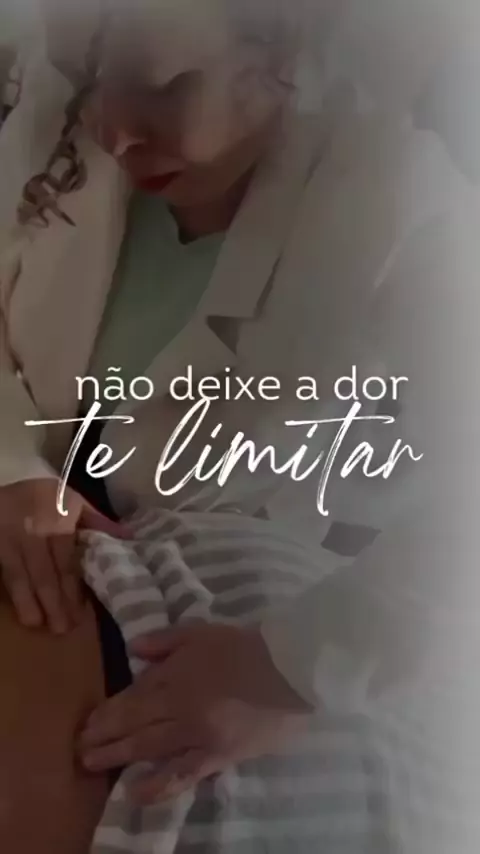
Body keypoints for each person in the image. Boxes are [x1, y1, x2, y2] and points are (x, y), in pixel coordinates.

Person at [1, 0, 479, 845]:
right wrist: (11, 466)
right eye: (91, 76)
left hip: (236, 623)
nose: (113, 132)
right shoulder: (61, 115)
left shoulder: (404, 212)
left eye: (163, 85)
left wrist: (294, 670)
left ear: (284, 47)